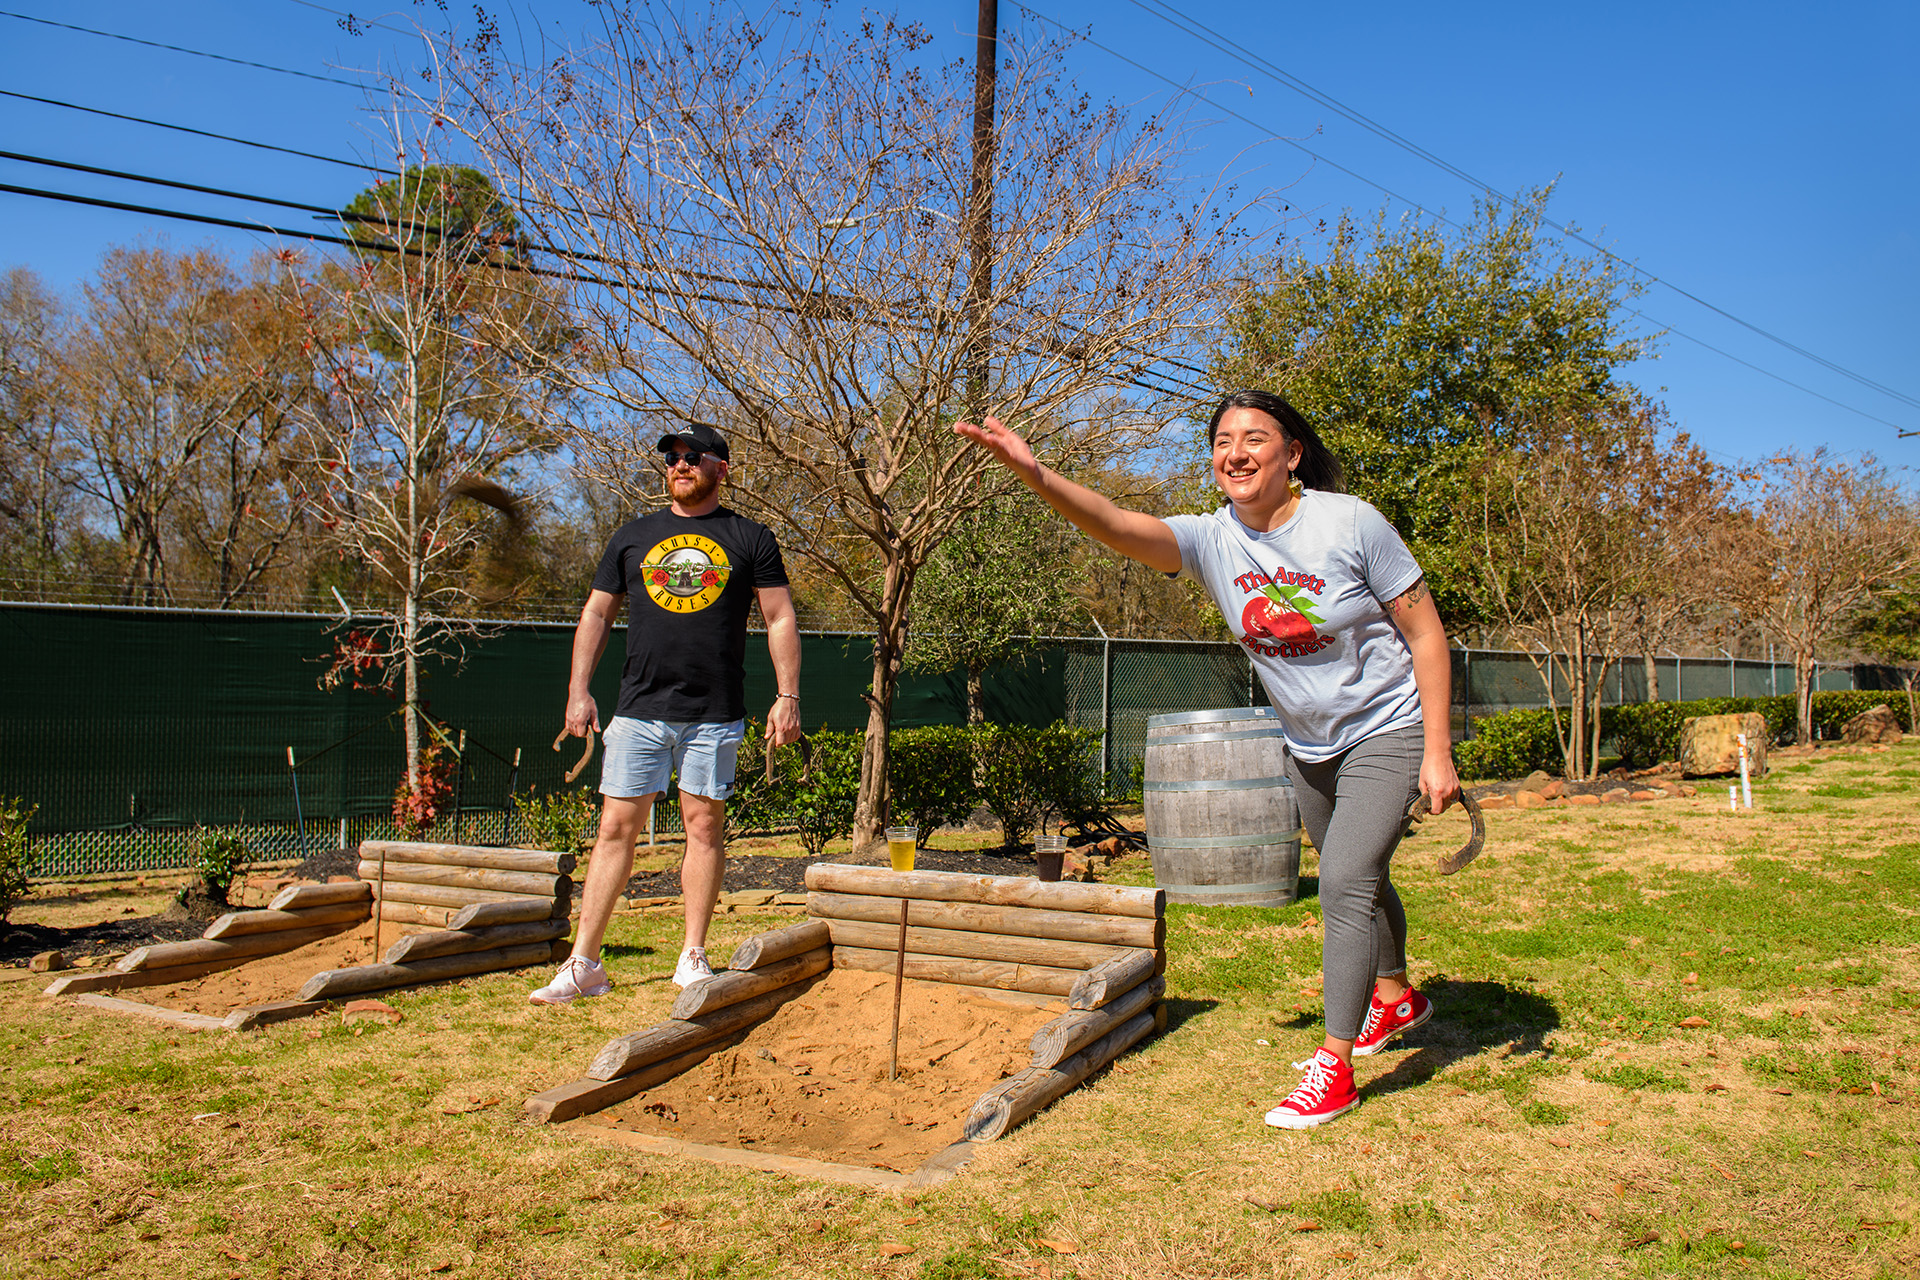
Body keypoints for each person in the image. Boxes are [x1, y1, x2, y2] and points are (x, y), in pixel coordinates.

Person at [955, 389, 1460, 1128]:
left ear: (1291, 455)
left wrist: (1438, 751)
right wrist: (1037, 474)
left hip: (1388, 725)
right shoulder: (1211, 538)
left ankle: (1335, 1068)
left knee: (1345, 879)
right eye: (1223, 440)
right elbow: (1119, 527)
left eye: (1255, 438)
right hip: (1309, 742)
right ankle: (1394, 996)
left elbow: (1426, 636)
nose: (1237, 452)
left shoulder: (1350, 523)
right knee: (1362, 872)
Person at [531, 422, 803, 1004]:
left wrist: (789, 695)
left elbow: (780, 617)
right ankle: (585, 965)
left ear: (720, 468)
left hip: (715, 711)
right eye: (672, 457)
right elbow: (597, 615)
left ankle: (692, 956)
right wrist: (579, 690)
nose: (680, 464)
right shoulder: (632, 536)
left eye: (693, 456)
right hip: (639, 709)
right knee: (613, 831)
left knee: (703, 829)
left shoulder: (749, 537)